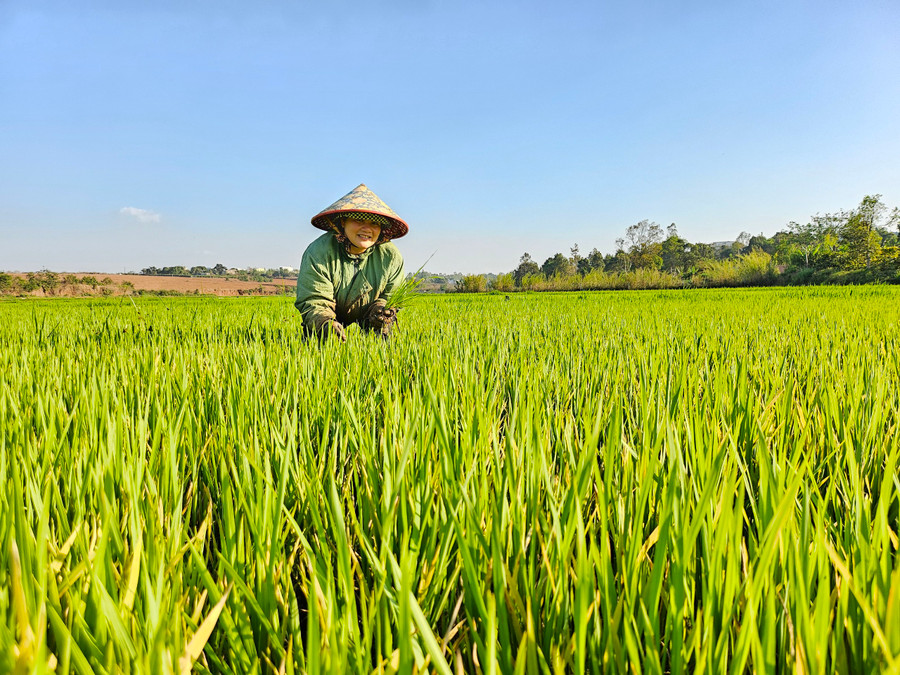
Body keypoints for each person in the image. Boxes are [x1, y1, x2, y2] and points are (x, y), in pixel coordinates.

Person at [294, 184, 407, 341]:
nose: (367, 228)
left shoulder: (390, 256)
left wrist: (381, 310)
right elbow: (314, 299)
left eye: (374, 223)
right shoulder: (319, 252)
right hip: (326, 313)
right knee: (323, 341)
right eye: (358, 220)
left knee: (381, 337)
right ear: (342, 223)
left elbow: (391, 295)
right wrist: (325, 322)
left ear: (381, 228)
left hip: (372, 314)